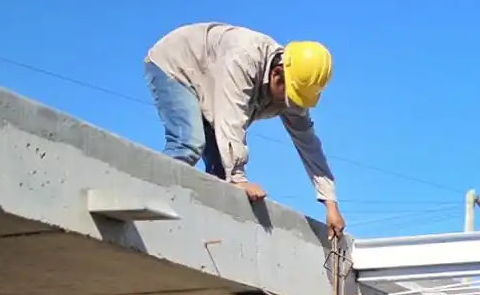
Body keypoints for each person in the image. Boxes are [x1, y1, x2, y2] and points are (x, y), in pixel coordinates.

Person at [143, 22, 346, 237]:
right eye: (289, 97)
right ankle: (147, 200)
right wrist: (239, 179)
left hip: (211, 83)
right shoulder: (244, 58)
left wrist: (330, 203)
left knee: (222, 174)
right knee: (188, 143)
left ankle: (209, 234)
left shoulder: (291, 86)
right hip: (177, 65)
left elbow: (309, 144)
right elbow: (231, 117)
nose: (290, 105)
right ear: (277, 74)